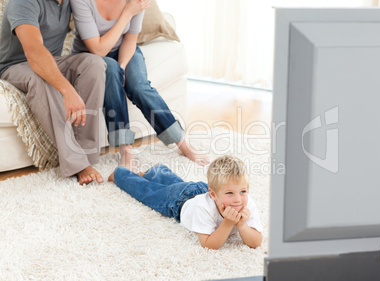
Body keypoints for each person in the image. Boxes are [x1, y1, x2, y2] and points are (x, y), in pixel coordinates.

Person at [69, 0, 210, 172]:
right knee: (111, 71)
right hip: (91, 56)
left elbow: (130, 39)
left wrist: (122, 66)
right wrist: (127, 13)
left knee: (139, 87)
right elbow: (98, 50)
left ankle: (181, 141)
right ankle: (125, 148)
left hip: (124, 49)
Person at [0, 0, 107, 185]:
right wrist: (67, 90)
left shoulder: (68, 2)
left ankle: (86, 154)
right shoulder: (22, 2)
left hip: (53, 60)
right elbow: (34, 51)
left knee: (94, 64)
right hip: (16, 65)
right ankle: (77, 164)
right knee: (42, 80)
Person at [108, 155, 263, 249]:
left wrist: (242, 225)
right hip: (179, 200)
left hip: (200, 190)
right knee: (149, 192)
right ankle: (120, 174)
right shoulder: (204, 207)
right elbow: (209, 244)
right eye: (230, 193)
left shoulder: (246, 203)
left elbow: (256, 242)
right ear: (214, 195)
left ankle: (157, 171)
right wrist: (228, 223)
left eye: (243, 191)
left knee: (178, 184)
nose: (237, 199)